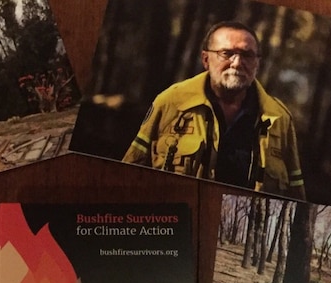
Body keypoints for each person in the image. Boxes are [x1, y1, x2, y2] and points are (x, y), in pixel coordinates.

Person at [122, 21, 305, 201]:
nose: (237, 63)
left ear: (257, 63)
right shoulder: (171, 103)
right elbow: (129, 172)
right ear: (206, 59)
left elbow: (296, 196)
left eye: (247, 55)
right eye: (227, 53)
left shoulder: (279, 118)